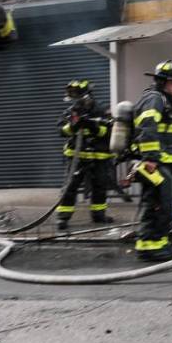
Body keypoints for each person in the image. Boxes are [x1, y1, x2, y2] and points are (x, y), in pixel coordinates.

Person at [131, 60, 172, 261]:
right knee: (158, 204)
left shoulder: (166, 101)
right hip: (153, 163)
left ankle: (156, 243)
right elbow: (147, 127)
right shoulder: (154, 99)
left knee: (162, 204)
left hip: (163, 161)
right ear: (162, 82)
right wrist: (151, 158)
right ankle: (151, 246)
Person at [56, 80, 114, 230]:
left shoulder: (102, 109)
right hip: (77, 156)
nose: (79, 101)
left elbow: (109, 131)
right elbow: (61, 131)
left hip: (98, 155)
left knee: (100, 187)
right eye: (75, 98)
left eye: (80, 97)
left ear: (88, 95)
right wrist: (73, 126)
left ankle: (99, 215)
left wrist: (93, 126)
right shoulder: (71, 111)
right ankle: (63, 218)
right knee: (70, 187)